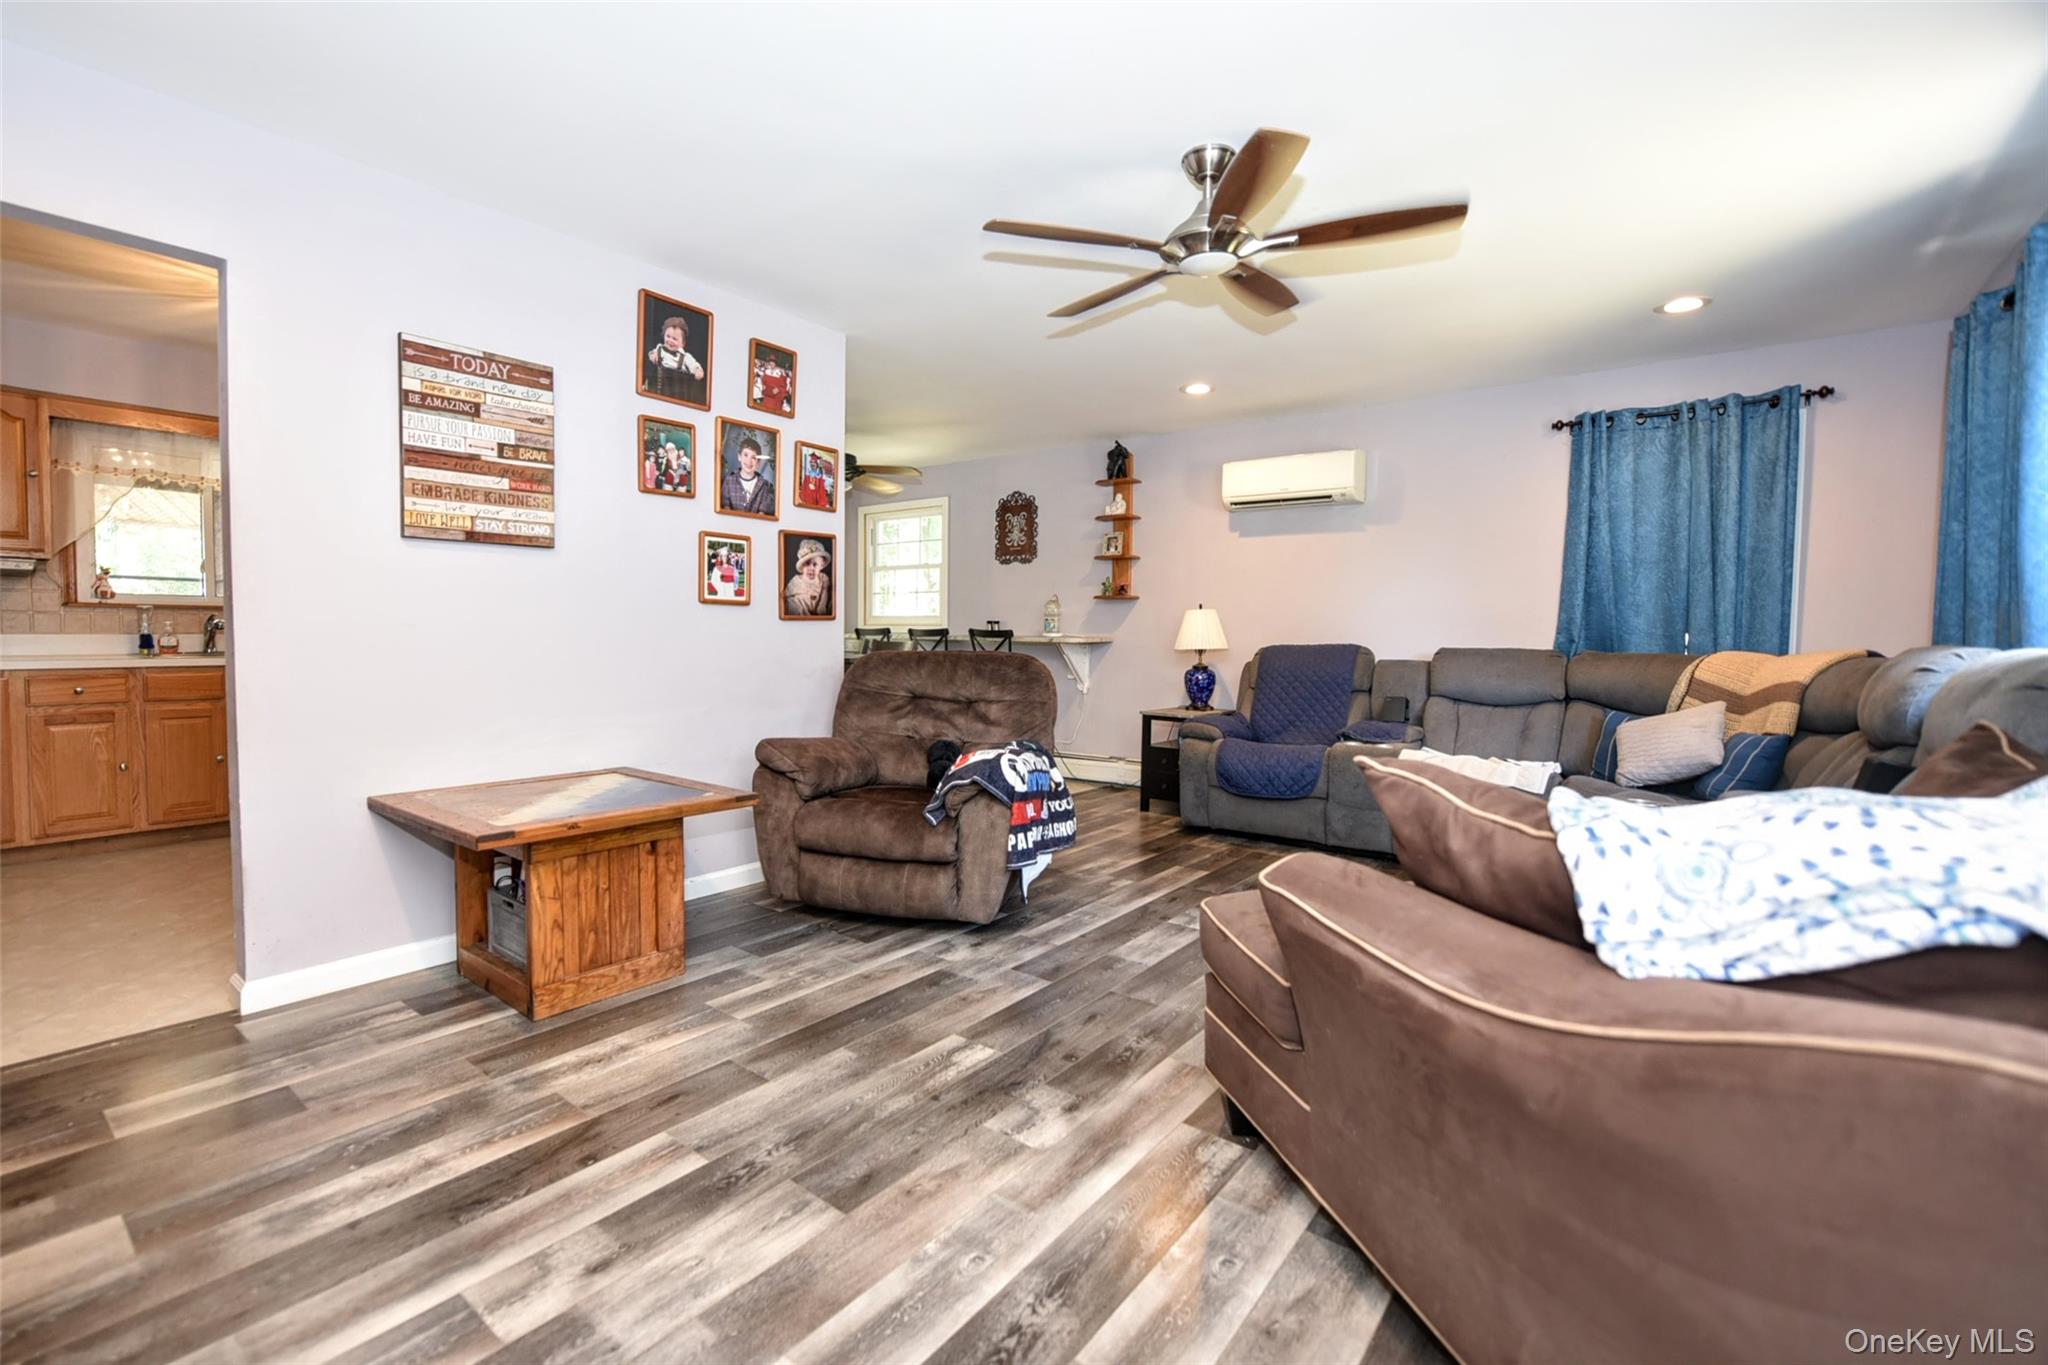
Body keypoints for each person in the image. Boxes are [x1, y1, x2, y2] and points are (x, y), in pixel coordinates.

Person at [644, 314, 706, 405]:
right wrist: (653, 355)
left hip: (678, 391)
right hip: (659, 387)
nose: (670, 340)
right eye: (668, 336)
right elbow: (651, 354)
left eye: (674, 339)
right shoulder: (660, 349)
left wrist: (698, 371)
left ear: (683, 343)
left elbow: (694, 365)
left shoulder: (685, 357)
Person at [720, 436, 775, 515]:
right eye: (746, 455)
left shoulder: (764, 486)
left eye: (753, 457)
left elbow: (762, 514)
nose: (749, 461)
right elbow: (725, 509)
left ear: (758, 462)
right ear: (739, 457)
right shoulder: (729, 481)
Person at [783, 538, 831, 616]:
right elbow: (785, 596)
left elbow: (824, 593)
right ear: (802, 566)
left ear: (821, 566)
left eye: (815, 564)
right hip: (801, 610)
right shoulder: (797, 580)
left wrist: (821, 607)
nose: (811, 568)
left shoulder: (823, 578)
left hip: (817, 610)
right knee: (794, 601)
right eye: (807, 564)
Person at [753, 351, 793, 416]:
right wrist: (764, 387)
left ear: (775, 363)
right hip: (767, 397)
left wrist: (778, 390)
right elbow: (763, 383)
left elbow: (783, 387)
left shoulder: (780, 373)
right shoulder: (766, 372)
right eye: (770, 362)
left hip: (776, 399)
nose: (771, 363)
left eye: (773, 362)